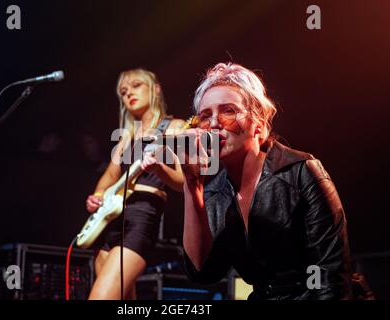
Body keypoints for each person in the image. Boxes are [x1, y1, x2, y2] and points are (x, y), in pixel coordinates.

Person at [180, 62, 353, 300]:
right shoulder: (214, 193)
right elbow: (204, 273)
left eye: (228, 111)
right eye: (205, 115)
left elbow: (331, 276)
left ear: (258, 124)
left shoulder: (301, 172)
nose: (214, 123)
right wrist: (192, 185)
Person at [85, 68, 185, 300]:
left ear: (156, 89)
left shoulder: (176, 127)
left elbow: (183, 183)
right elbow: (109, 177)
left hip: (141, 217)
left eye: (136, 85)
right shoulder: (125, 137)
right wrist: (97, 196)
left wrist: (159, 168)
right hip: (112, 222)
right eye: (123, 91)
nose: (129, 93)